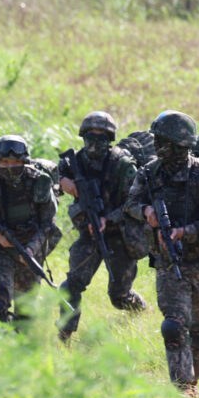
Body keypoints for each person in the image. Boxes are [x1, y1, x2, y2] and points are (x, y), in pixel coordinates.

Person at [124, 111, 199, 398]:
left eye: (164, 142)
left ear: (180, 145)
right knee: (173, 326)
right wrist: (145, 212)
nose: (158, 147)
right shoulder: (149, 173)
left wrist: (183, 232)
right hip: (170, 262)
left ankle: (193, 379)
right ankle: (183, 389)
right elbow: (130, 204)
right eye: (157, 141)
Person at [57, 111, 146, 341]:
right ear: (83, 137)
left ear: (110, 139)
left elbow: (134, 201)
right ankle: (64, 335)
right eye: (90, 137)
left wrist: (110, 218)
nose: (95, 143)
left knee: (119, 296)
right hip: (89, 234)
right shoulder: (75, 161)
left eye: (101, 137)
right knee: (71, 285)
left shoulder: (123, 165)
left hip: (120, 235)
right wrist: (62, 181)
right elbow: (48, 173)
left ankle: (141, 311)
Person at [0, 135, 61, 323]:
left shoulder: (39, 182)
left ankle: (19, 342)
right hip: (0, 247)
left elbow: (48, 224)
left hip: (33, 246)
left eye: (15, 161)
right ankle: (1, 338)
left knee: (25, 314)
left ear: (24, 161)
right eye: (4, 162)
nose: (9, 167)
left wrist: (31, 250)